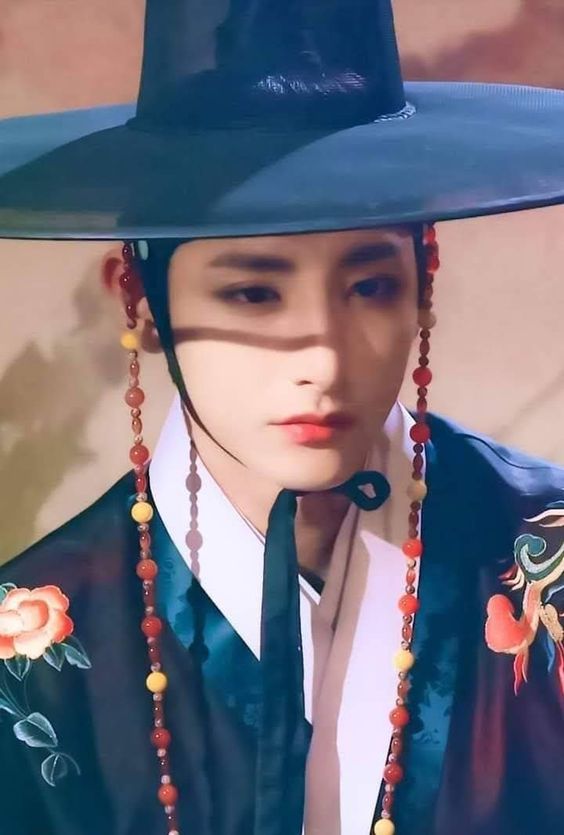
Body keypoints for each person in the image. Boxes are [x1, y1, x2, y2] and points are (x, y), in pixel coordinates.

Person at [0, 2, 563, 835]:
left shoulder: (547, 556)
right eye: (253, 292)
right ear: (140, 300)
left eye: (370, 285)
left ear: (424, 277)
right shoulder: (28, 655)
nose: (325, 360)